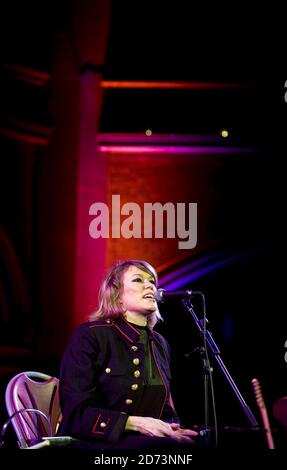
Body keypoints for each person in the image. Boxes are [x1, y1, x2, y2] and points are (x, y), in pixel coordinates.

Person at [58, 259, 197, 448]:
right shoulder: (90, 334)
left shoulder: (160, 343)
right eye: (138, 280)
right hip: (93, 442)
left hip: (141, 442)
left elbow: (165, 408)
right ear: (117, 295)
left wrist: (173, 428)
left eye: (152, 281)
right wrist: (135, 423)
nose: (149, 285)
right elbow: (77, 414)